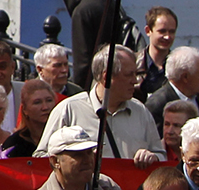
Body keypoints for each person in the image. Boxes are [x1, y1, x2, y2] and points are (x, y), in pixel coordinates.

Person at [36, 45, 166, 164]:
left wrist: (153, 157)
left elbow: (161, 156)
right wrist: (72, 158)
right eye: (129, 75)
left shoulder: (140, 111)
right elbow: (40, 159)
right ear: (107, 77)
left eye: (136, 74)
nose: (135, 81)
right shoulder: (69, 110)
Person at [0, 79, 58, 158]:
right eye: (37, 102)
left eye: (49, 100)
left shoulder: (66, 137)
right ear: (25, 109)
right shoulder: (13, 145)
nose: (45, 107)